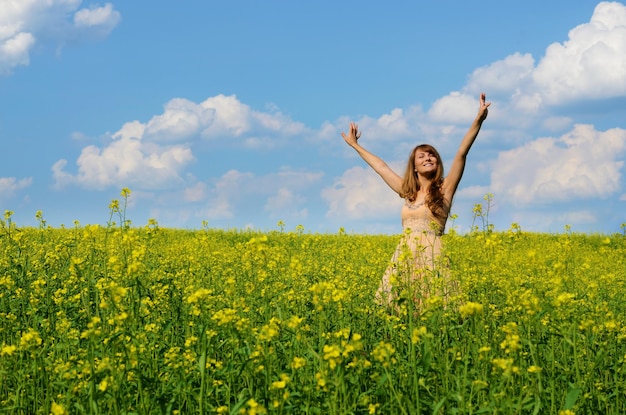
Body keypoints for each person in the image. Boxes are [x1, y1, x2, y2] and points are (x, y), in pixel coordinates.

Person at [341, 93, 490, 308]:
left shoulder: (445, 188)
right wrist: (355, 145)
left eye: (431, 155)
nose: (428, 158)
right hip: (404, 257)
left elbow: (461, 153)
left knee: (434, 307)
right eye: (422, 156)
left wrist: (478, 119)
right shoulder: (407, 191)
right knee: (401, 310)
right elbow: (381, 167)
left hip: (432, 254)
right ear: (414, 167)